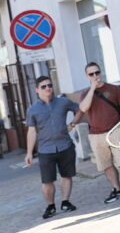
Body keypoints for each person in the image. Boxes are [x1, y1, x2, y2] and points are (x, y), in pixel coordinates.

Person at [74, 62, 120, 203]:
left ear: (101, 72)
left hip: (115, 130)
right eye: (91, 74)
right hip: (96, 134)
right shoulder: (85, 93)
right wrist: (92, 89)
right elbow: (84, 108)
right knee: (105, 164)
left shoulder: (113, 89)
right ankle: (117, 188)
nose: (95, 76)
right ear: (87, 76)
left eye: (97, 72)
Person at [24, 76, 78, 219]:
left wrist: (73, 124)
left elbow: (80, 109)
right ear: (37, 90)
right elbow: (31, 131)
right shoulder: (32, 110)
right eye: (43, 86)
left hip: (65, 146)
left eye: (49, 85)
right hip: (45, 150)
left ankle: (65, 202)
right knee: (47, 181)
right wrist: (29, 153)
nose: (48, 88)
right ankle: (50, 206)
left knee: (67, 176)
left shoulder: (63, 102)